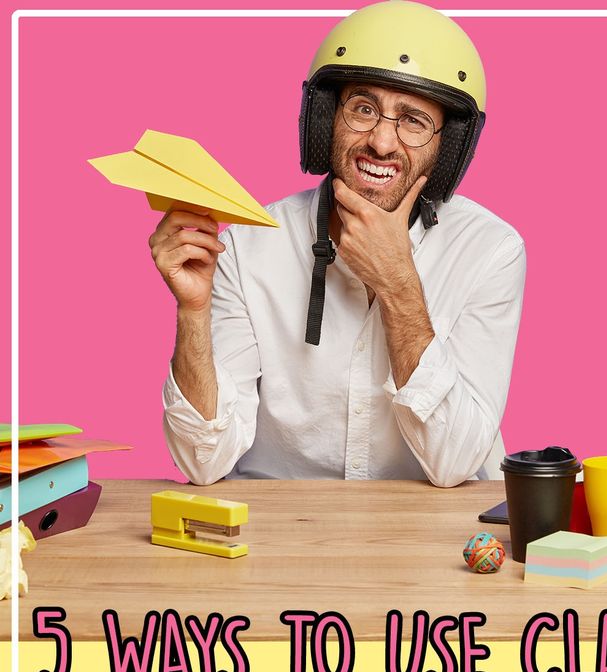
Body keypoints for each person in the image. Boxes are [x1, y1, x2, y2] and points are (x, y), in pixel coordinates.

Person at [152, 0, 526, 487]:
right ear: (326, 116)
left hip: (432, 537)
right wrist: (193, 312)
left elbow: (455, 460)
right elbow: (202, 462)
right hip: (281, 532)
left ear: (447, 145)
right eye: (364, 109)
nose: (383, 143)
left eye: (413, 121)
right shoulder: (247, 246)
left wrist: (397, 285)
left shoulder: (491, 251)